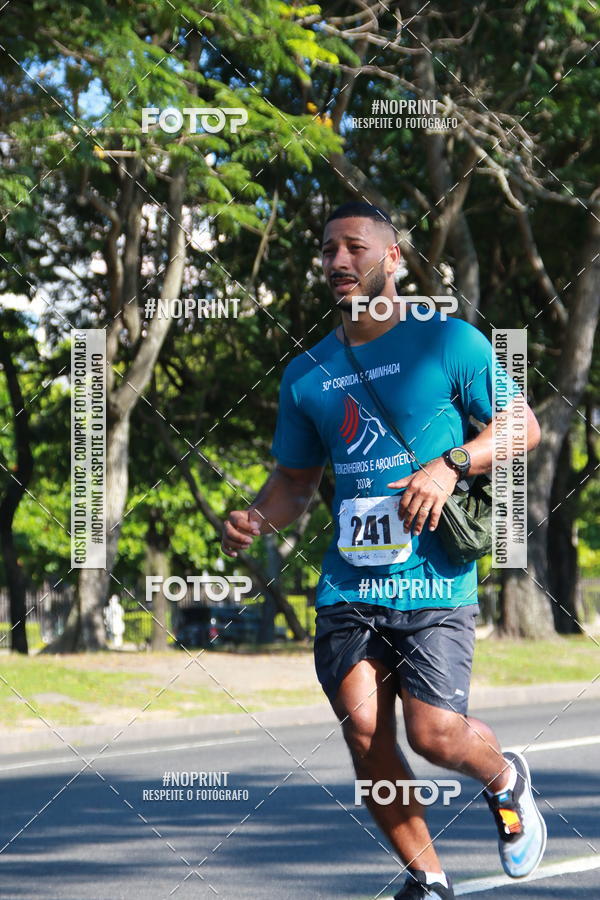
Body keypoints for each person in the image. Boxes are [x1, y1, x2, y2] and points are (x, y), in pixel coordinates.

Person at [221, 201, 547, 899]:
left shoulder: (451, 343)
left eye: (354, 247)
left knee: (434, 736)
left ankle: (504, 777)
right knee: (366, 734)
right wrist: (255, 519)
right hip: (349, 585)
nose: (338, 261)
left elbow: (525, 428)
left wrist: (450, 463)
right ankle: (426, 878)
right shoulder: (307, 374)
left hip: (434, 580)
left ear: (391, 260)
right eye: (328, 250)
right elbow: (295, 485)